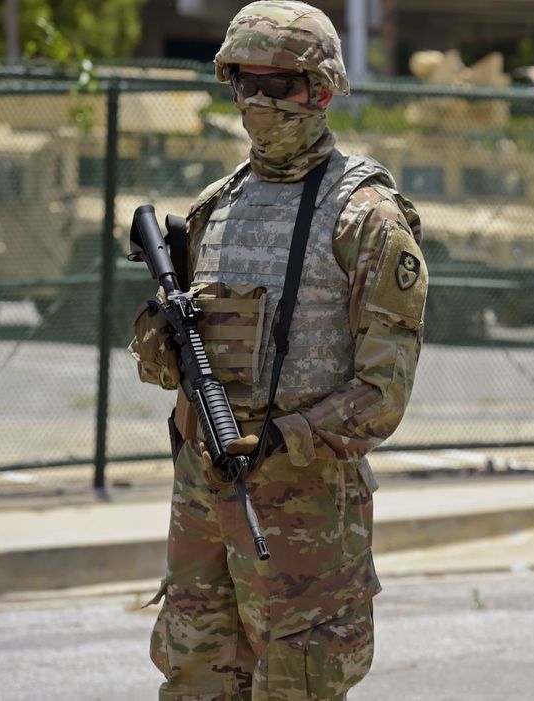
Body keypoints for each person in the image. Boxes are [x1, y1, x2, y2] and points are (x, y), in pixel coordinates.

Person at [128, 1, 426, 698]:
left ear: (321, 91)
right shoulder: (217, 205)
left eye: (280, 85)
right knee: (194, 678)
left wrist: (281, 436)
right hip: (204, 500)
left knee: (296, 684)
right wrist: (162, 335)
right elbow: (161, 366)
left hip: (303, 515)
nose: (259, 103)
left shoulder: (367, 218)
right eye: (244, 83)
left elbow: (382, 396)